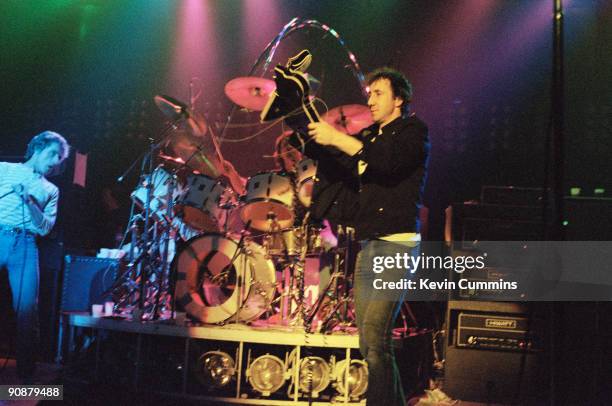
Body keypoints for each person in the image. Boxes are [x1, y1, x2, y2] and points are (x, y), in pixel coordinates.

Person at [305, 67, 430, 405]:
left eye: (378, 94)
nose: (370, 100)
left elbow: (387, 163)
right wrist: (306, 131)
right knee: (368, 342)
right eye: (369, 94)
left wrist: (338, 138)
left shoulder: (413, 131)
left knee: (376, 339)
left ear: (399, 99)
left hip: (396, 245)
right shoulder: (369, 136)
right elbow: (342, 164)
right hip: (369, 246)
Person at [0, 131, 70, 383]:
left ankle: (26, 379)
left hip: (26, 245)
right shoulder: (4, 169)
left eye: (60, 158)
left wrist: (30, 201)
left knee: (27, 311)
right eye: (53, 154)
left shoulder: (51, 189)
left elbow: (45, 228)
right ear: (38, 149)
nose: (56, 162)